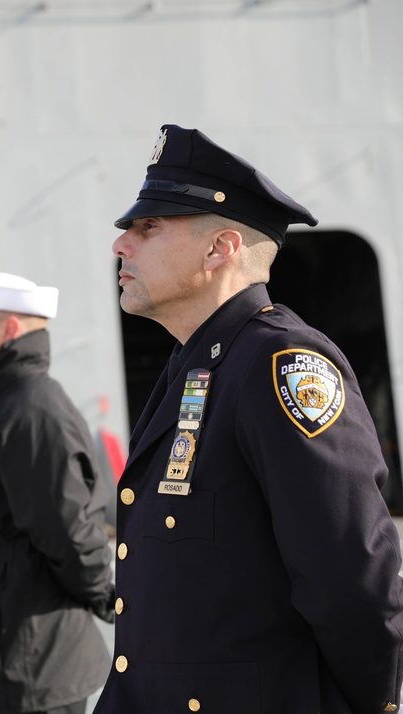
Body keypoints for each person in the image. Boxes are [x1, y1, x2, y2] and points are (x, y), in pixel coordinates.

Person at [95, 124, 403, 713]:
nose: (121, 245)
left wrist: (367, 704)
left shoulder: (281, 365)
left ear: (220, 249)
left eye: (148, 226)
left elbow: (350, 580)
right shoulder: (196, 366)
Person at [0, 273, 115, 714]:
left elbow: (66, 528)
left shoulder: (29, 409)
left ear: (8, 330)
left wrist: (104, 595)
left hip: (30, 662)